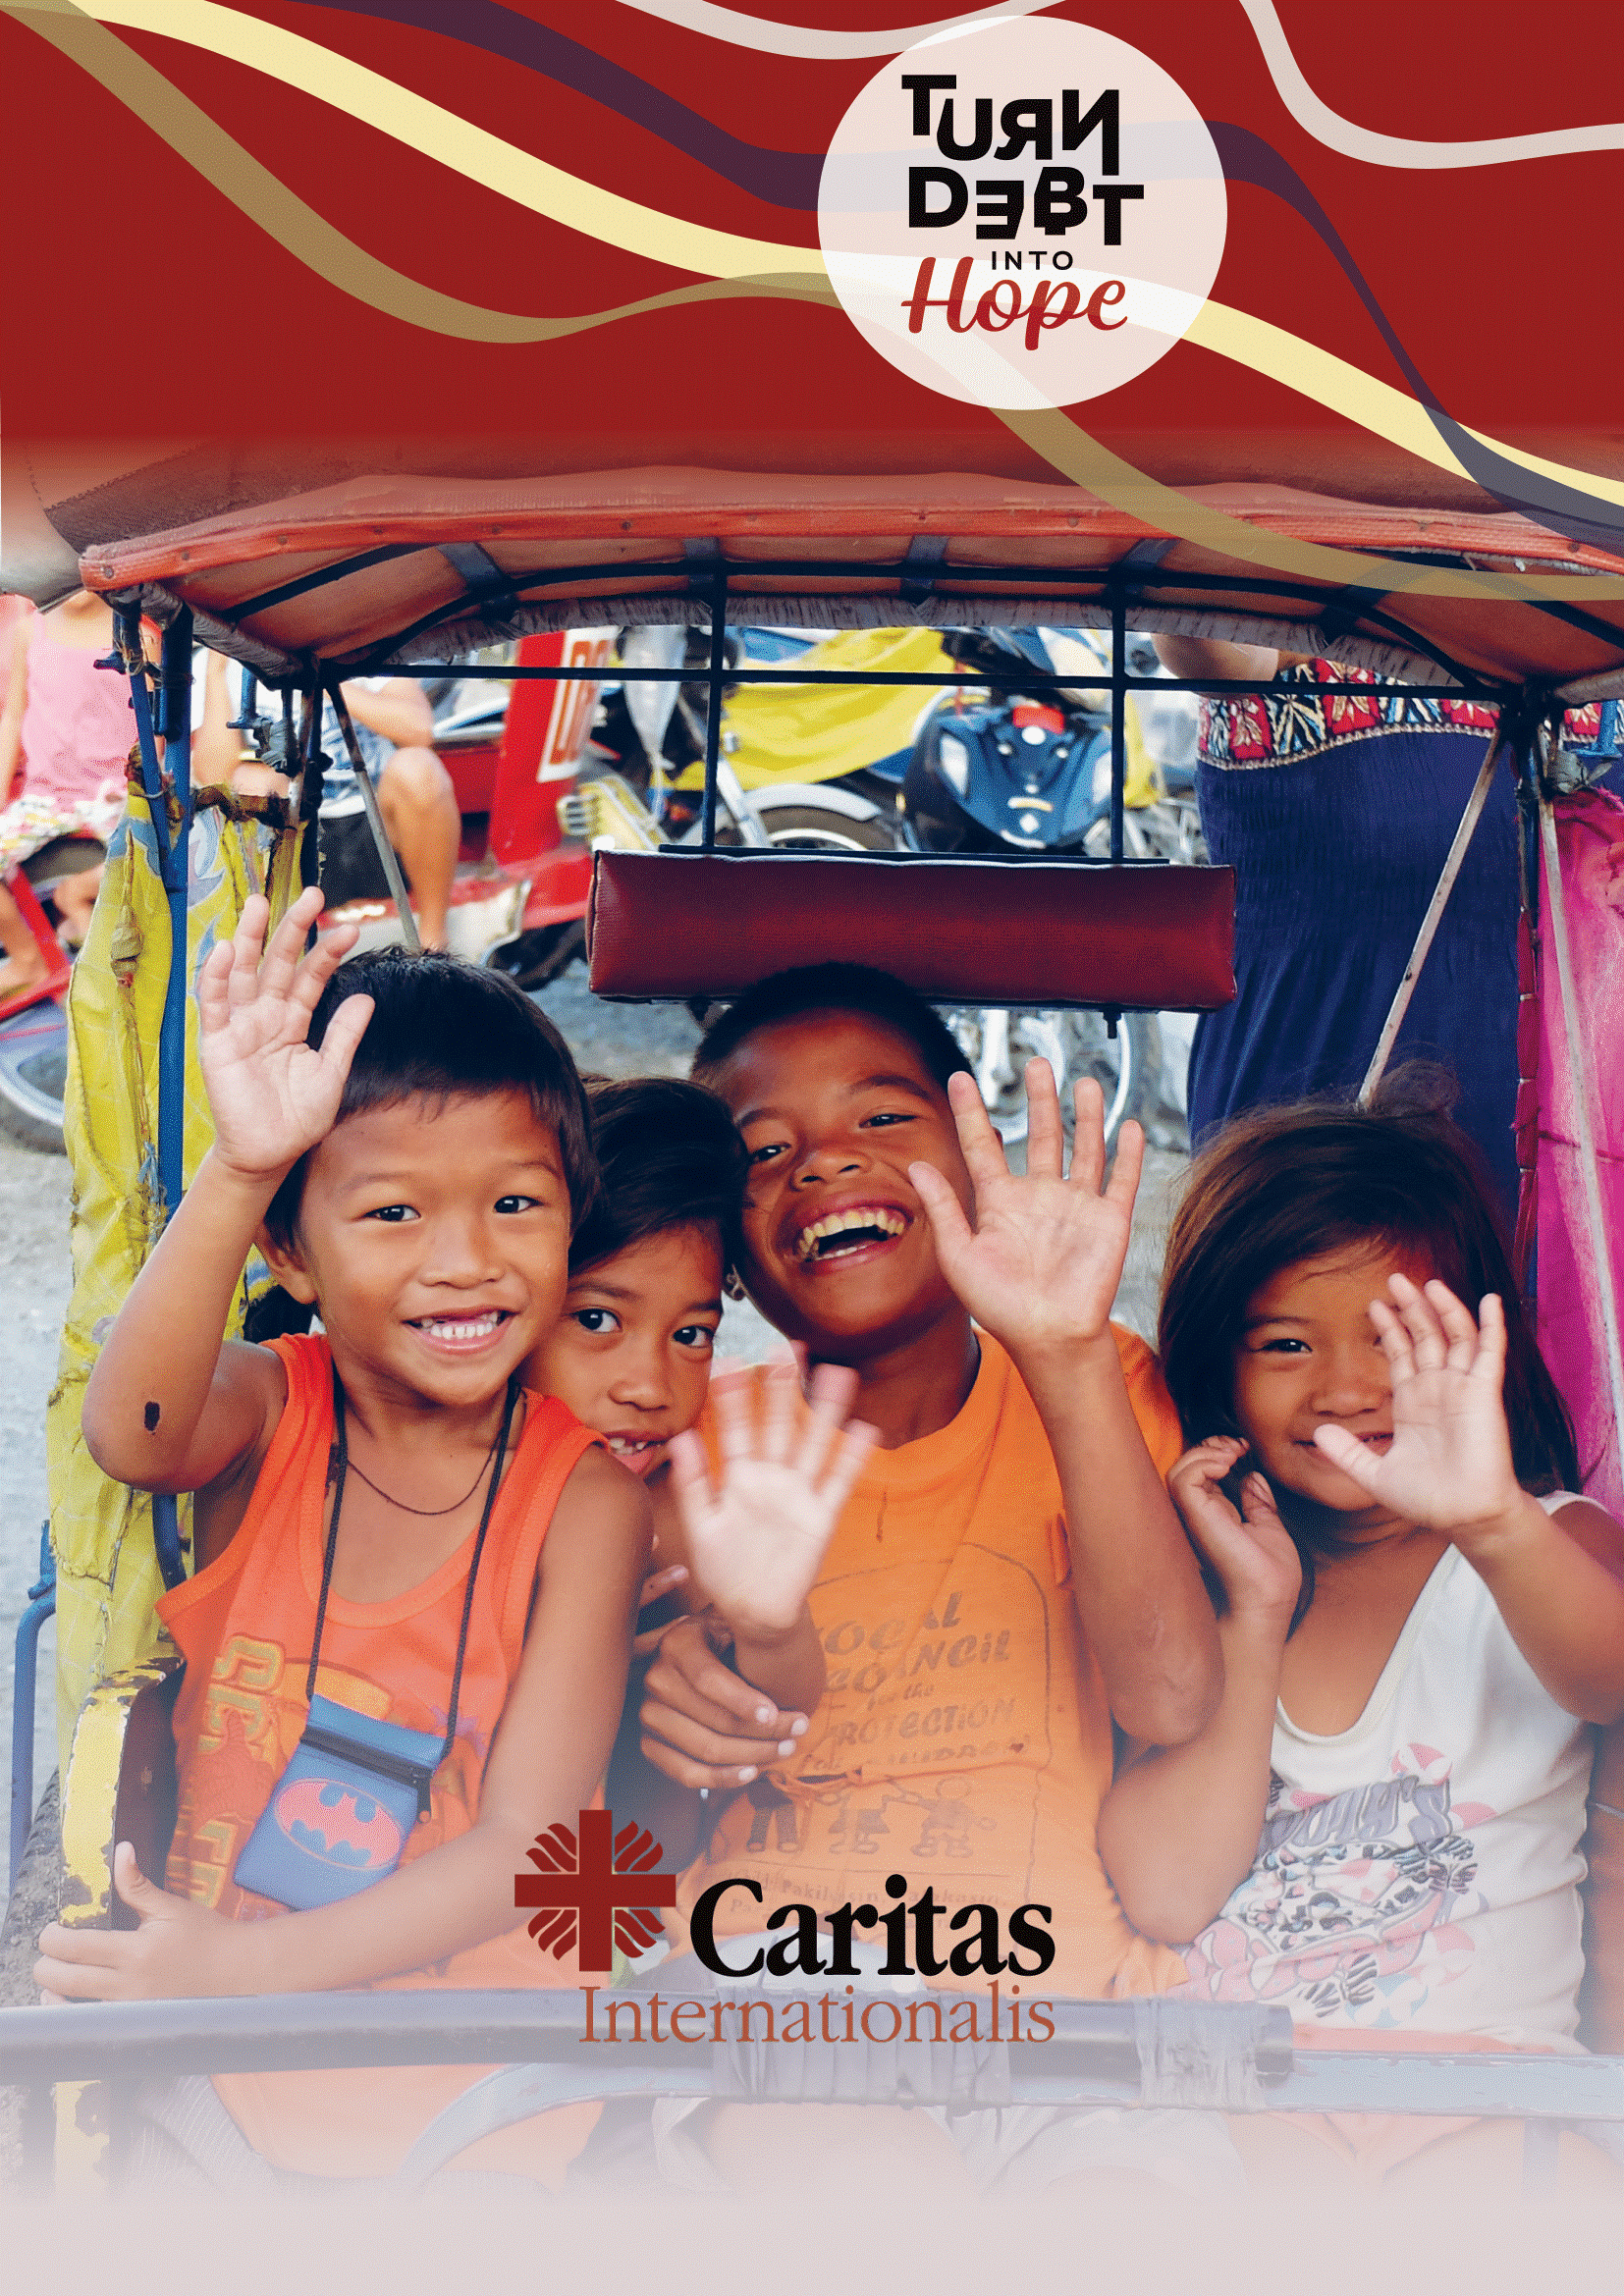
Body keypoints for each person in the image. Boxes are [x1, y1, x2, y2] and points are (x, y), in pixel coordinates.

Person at [38, 897, 650, 2185]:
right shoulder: (269, 1408)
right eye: (392, 1214)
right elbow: (132, 1432)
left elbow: (529, 1845)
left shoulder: (585, 1498)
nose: (464, 1260)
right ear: (291, 1252)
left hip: (484, 2081)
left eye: (515, 1202)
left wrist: (241, 1968)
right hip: (223, 2055)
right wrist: (242, 1165)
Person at [611, 962, 1229, 2196]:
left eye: (881, 1115)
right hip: (780, 1996)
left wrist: (1060, 1353)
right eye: (764, 1149)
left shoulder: (1100, 1380)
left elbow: (1168, 1698)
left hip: (1066, 2016)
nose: (824, 1161)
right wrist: (672, 1727)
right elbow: (620, 1869)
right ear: (725, 1247)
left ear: (974, 1154)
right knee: (879, 2191)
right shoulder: (684, 1453)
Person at [1097, 1082, 1624, 2192]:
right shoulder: (1205, 1580)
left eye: (1394, 1337)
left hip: (1489, 2091)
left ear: (1481, 1339)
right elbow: (1167, 1892)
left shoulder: (1545, 1542)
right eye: (1286, 1342)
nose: (1345, 1385)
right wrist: (1254, 1613)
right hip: (1235, 2091)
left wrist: (1490, 1519)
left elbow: (1609, 1679)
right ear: (1218, 1366)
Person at [1154, 636, 1535, 1223]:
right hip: (1317, 1130)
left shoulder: (1590, 642)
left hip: (1563, 1136)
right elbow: (1206, 643)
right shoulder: (1302, 625)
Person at [201, 669, 460, 951]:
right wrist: (217, 670)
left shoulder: (365, 649)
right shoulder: (225, 666)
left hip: (382, 826)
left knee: (419, 767)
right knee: (249, 783)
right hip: (298, 840)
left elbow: (419, 730)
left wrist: (322, 676)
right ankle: (273, 950)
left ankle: (433, 942)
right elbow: (213, 776)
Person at [0, 590, 135, 998]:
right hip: (49, 797)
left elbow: (159, 727)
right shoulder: (30, 630)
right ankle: (27, 957)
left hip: (117, 791)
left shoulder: (137, 631)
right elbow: (14, 716)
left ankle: (76, 904)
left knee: (154, 854)